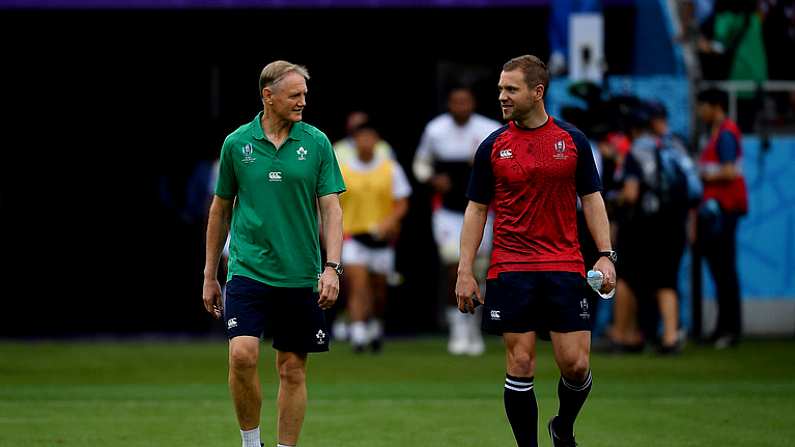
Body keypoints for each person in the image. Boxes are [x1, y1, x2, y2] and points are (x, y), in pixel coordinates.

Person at [456, 55, 616, 447]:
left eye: (511, 89)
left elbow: (592, 200)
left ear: (537, 92)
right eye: (500, 89)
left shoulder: (572, 141)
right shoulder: (492, 146)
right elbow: (476, 209)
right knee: (521, 362)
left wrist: (605, 254)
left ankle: (562, 427)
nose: (502, 97)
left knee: (576, 366)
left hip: (564, 265)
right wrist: (464, 269)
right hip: (511, 267)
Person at [202, 60, 346, 447]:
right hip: (247, 269)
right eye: (295, 95)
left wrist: (332, 267)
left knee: (293, 370)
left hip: (301, 273)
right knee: (242, 355)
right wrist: (209, 274)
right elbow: (220, 209)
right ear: (268, 96)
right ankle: (252, 444)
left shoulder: (316, 142)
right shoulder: (237, 143)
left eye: (305, 94)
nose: (303, 101)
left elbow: (331, 208)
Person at [413, 86, 501, 355]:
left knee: (480, 269)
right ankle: (458, 328)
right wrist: (431, 178)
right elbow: (421, 163)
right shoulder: (435, 130)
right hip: (449, 212)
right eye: (456, 102)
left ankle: (474, 327)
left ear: (472, 103)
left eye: (466, 101)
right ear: (449, 104)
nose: (461, 106)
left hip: (482, 210)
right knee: (455, 266)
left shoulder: (490, 129)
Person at [338, 120, 412, 353]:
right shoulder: (343, 170)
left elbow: (401, 202)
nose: (366, 143)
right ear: (354, 142)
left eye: (370, 138)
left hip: (381, 239)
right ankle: (359, 335)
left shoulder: (390, 169)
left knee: (379, 290)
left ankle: (375, 327)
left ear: (377, 141)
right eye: (361, 138)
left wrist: (390, 221)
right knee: (358, 285)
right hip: (353, 235)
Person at [695, 87, 748, 349]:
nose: (699, 111)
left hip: (725, 210)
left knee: (725, 270)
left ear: (715, 106)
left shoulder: (726, 134)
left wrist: (702, 176)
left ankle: (730, 330)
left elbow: (728, 171)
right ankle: (721, 328)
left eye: (702, 106)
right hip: (716, 210)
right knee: (719, 270)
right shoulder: (715, 134)